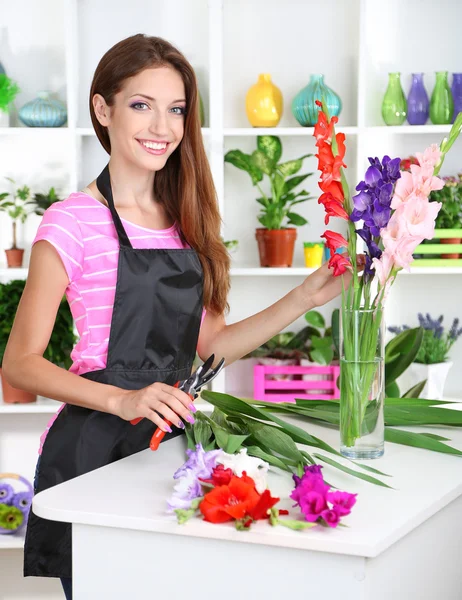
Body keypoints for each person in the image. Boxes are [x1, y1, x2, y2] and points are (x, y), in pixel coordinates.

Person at [2, 34, 358, 600]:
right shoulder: (71, 223)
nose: (161, 127)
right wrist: (123, 399)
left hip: (171, 445)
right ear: (103, 109)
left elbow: (210, 347)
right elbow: (18, 364)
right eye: (142, 105)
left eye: (176, 110)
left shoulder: (187, 220)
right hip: (93, 449)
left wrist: (304, 299)